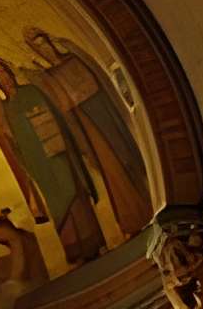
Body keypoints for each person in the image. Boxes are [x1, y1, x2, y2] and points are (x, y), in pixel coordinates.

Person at [22, 28, 152, 239]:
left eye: (43, 42)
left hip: (102, 116)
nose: (43, 49)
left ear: (50, 41)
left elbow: (90, 85)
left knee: (125, 160)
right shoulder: (49, 75)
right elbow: (62, 104)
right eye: (38, 47)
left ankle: (147, 204)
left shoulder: (72, 61)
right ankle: (131, 217)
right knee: (110, 171)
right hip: (85, 126)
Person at [0, 55, 104, 266]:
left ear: (11, 74)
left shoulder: (31, 92)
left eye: (5, 74)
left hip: (56, 151)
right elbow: (11, 140)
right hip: (37, 163)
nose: (5, 80)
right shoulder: (6, 108)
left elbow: (54, 118)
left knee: (73, 192)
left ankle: (93, 243)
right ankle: (74, 251)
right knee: (57, 204)